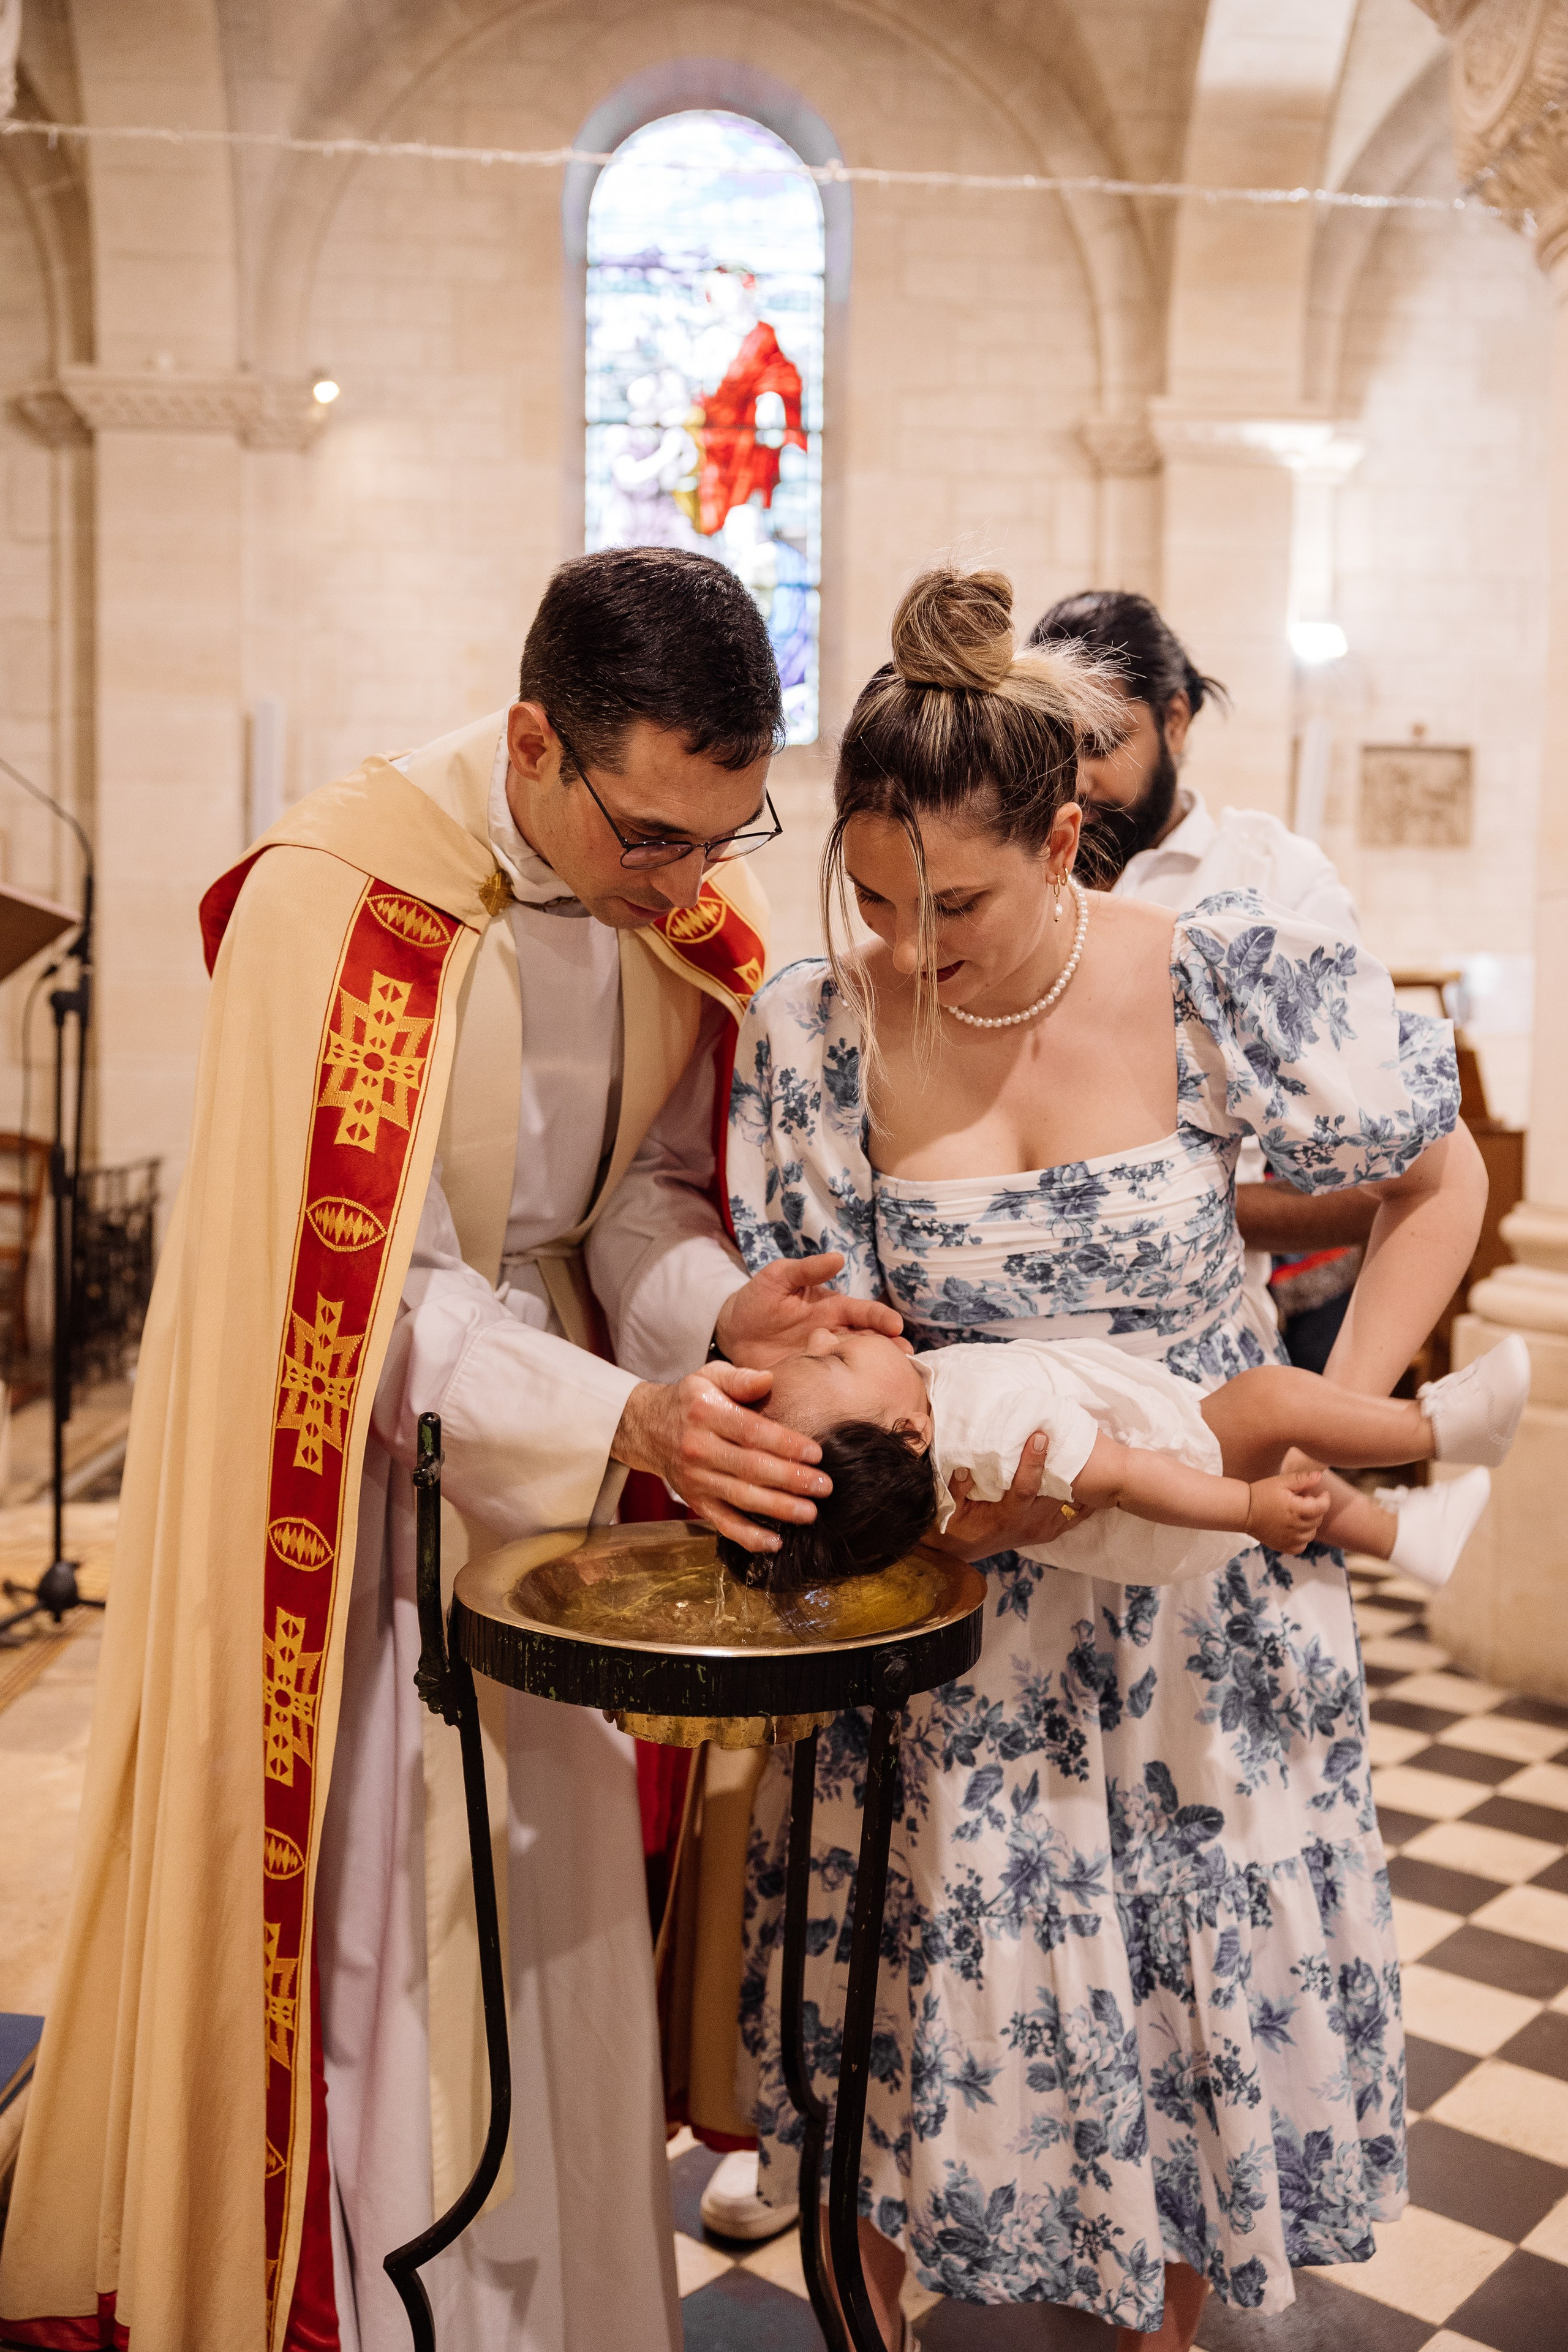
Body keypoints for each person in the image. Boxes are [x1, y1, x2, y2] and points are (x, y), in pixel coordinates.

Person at [0, 548, 907, 2352]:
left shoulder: (665, 905)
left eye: (721, 840)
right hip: (357, 1517)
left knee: (553, 1931)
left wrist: (719, 1316)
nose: (686, 886)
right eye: (653, 836)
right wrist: (620, 1415)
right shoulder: (340, 901)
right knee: (390, 1941)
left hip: (560, 1479)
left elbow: (633, 1205)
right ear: (531, 743)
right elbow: (358, 1302)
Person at [727, 565, 1487, 2351]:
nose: (912, 947)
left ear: (1066, 838)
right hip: (960, 1607)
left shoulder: (1212, 974)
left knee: (1186, 1999)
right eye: (874, 895)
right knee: (915, 2003)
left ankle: (1166, 2333)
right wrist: (891, 1455)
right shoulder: (818, 1027)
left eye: (959, 905)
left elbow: (1434, 1173)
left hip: (1192, 1614)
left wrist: (1315, 1410)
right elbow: (827, 1343)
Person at [1030, 590, 1378, 1379]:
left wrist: (1156, 1212)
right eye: (1053, 746)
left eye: (1103, 742)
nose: (1076, 779)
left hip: (1205, 1343)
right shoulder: (1013, 871)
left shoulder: (1277, 881)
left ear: (1176, 721)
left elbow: (1369, 1179)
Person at [733, 1322, 1527, 1593]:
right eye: (835, 1359)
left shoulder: (923, 1415)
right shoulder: (989, 1433)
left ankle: (1403, 1534)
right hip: (1172, 1478)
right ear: (907, 1436)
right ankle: (1441, 1430)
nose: (826, 1333)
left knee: (1282, 1455)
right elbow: (1125, 1476)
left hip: (1161, 1463)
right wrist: (1249, 1511)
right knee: (1273, 1404)